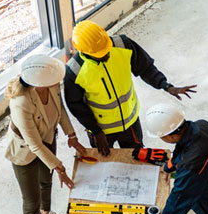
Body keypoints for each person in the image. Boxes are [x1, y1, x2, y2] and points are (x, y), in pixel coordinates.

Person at [63, 20, 197, 155]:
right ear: (84, 51)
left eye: (106, 49)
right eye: (100, 54)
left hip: (130, 122)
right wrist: (95, 131)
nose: (106, 55)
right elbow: (76, 106)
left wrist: (166, 86)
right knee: (106, 162)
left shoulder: (123, 45)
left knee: (137, 156)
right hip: (102, 131)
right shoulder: (74, 71)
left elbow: (145, 68)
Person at [6, 54, 88, 214]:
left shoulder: (51, 86)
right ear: (38, 82)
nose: (58, 81)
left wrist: (71, 135)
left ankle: (46, 213)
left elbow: (60, 112)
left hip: (47, 139)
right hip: (25, 150)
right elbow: (34, 144)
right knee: (30, 199)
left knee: (46, 181)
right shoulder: (21, 102)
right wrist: (59, 167)